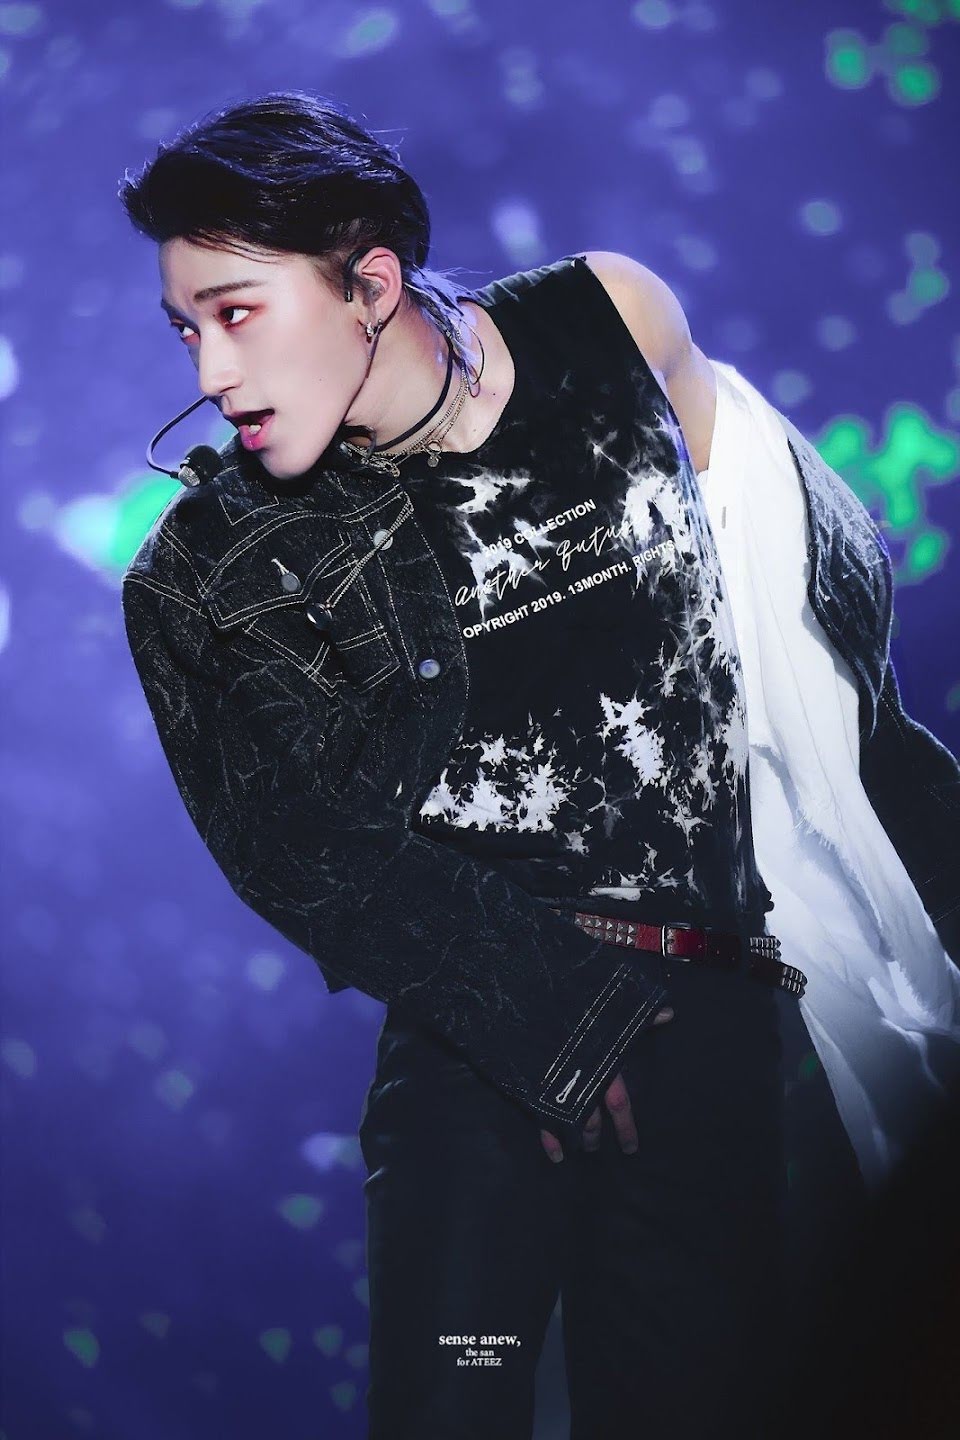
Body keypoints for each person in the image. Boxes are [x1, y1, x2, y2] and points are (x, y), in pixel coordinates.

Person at [117, 90, 959, 1439]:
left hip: (716, 1025)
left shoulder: (608, 323)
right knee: (451, 1402)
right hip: (485, 1044)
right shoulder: (215, 568)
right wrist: (547, 1023)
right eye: (186, 327)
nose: (210, 370)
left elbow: (796, 648)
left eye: (237, 313)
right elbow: (302, 851)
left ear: (369, 286)